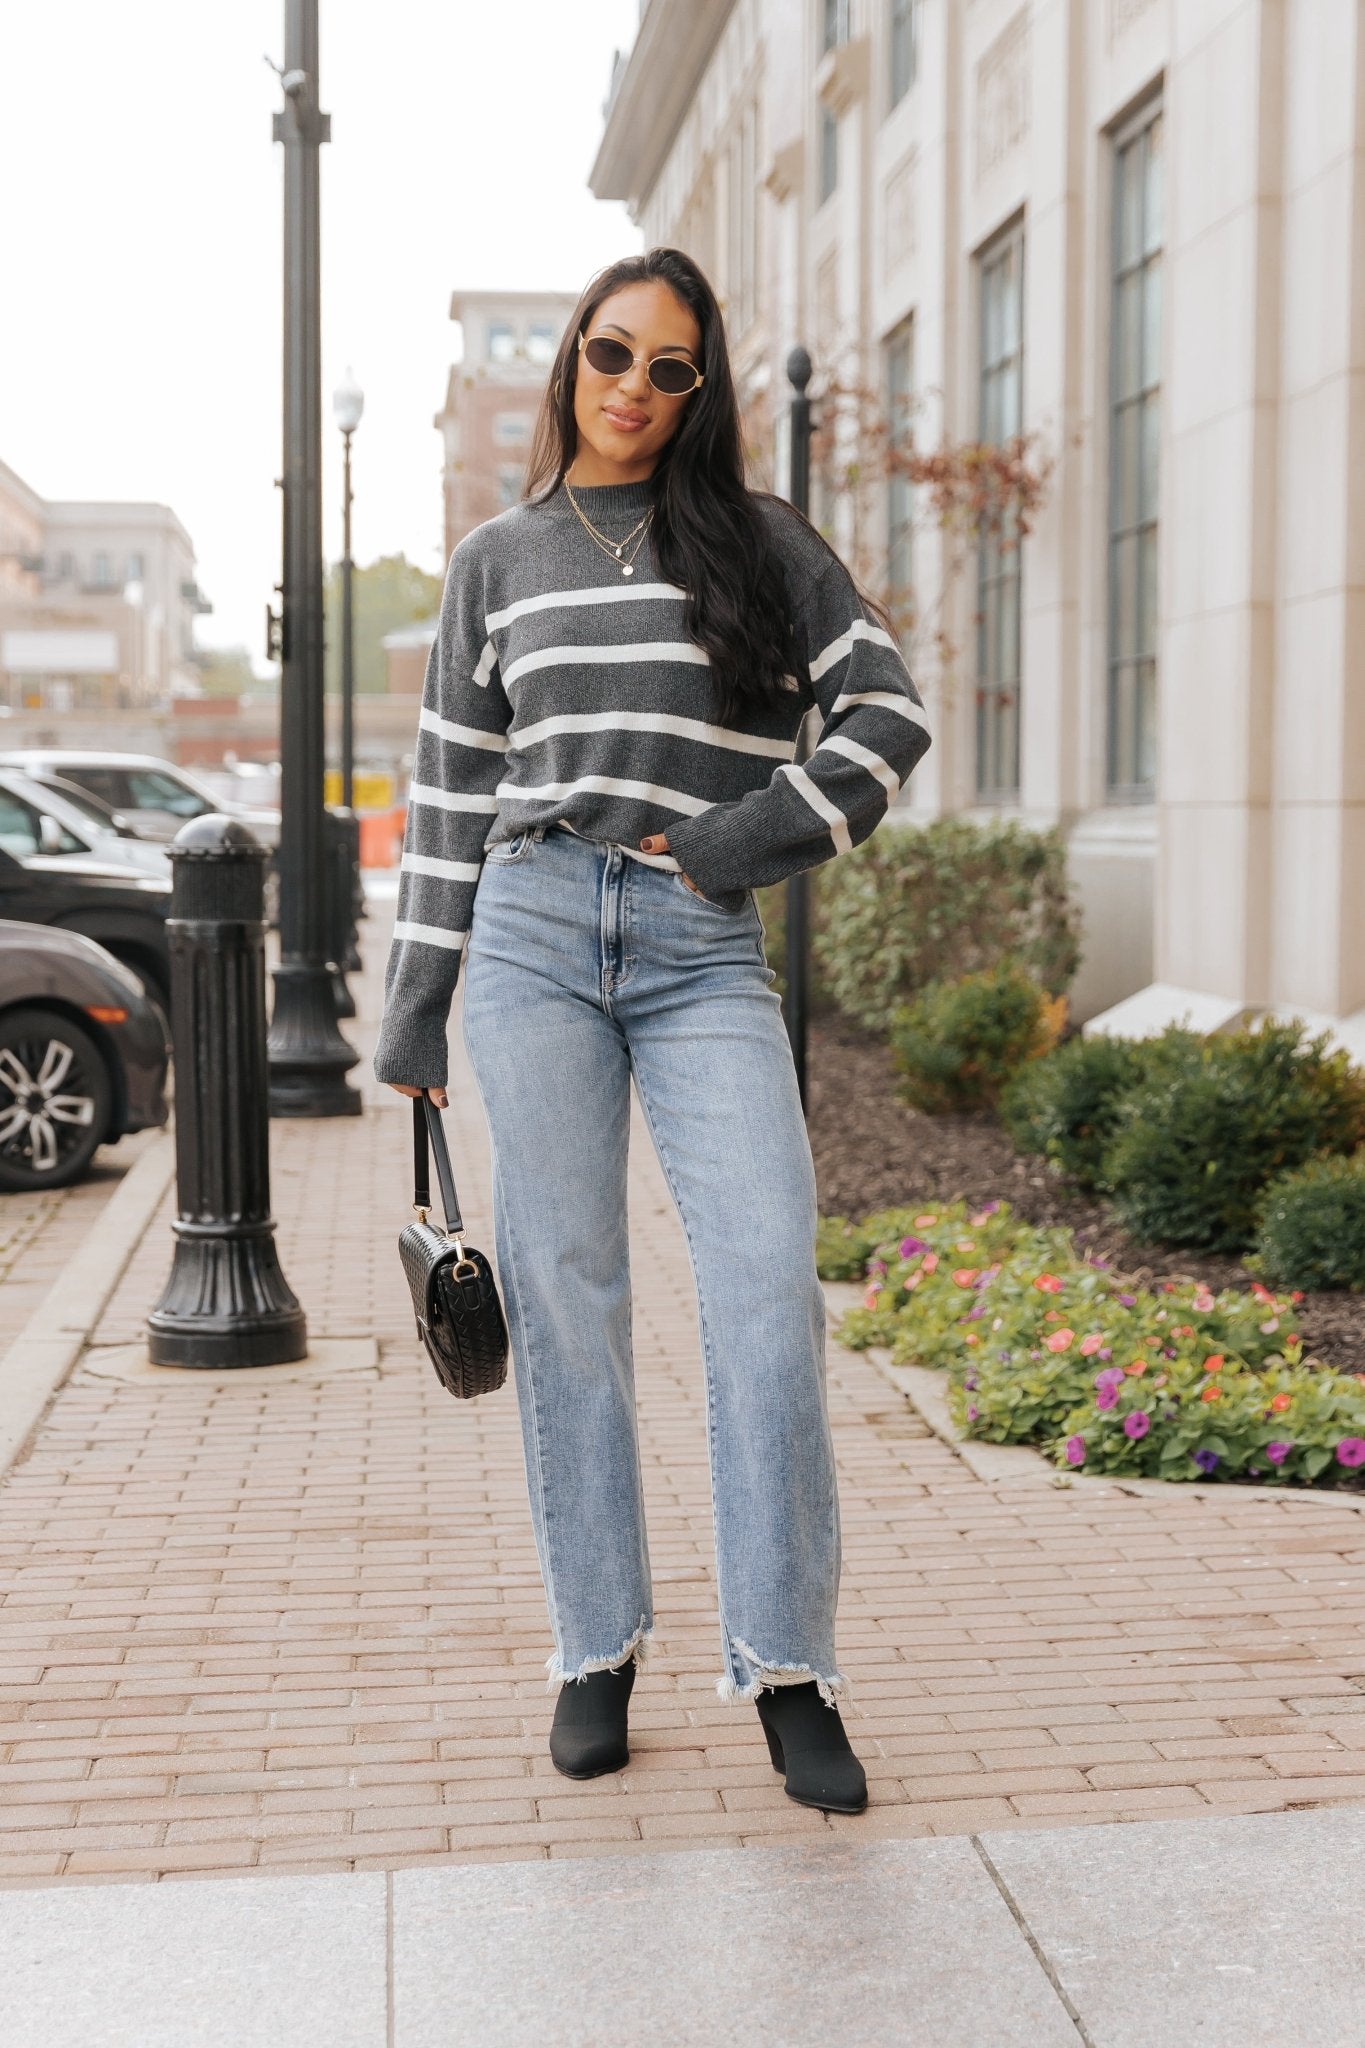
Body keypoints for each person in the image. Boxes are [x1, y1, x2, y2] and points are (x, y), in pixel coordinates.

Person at [374, 247, 931, 1815]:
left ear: (702, 391)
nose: (631, 386)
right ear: (570, 365)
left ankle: (788, 1664)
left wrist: (752, 838)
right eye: (609, 354)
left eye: (667, 366)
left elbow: (888, 716)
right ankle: (592, 1645)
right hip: (535, 938)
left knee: (763, 1286)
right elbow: (446, 799)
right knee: (567, 1301)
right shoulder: (496, 560)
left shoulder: (765, 547)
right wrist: (412, 1010)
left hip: (698, 947)